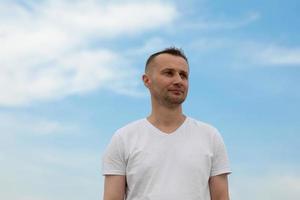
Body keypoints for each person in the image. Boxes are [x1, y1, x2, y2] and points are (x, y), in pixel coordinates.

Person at [102, 47, 231, 200]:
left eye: (183, 75)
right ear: (146, 80)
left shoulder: (210, 136)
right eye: (169, 73)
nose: (178, 80)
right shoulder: (123, 138)